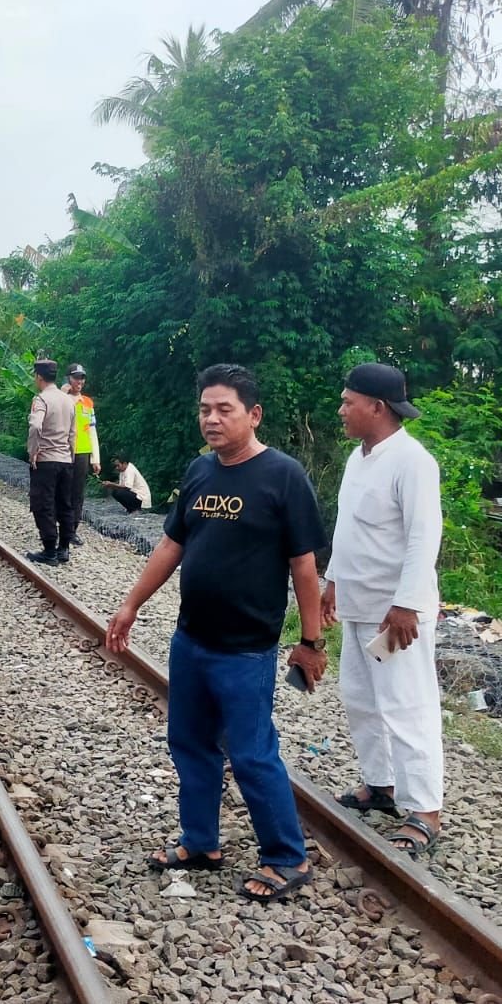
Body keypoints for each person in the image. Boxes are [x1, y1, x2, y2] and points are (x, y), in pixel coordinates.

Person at [107, 364, 327, 903]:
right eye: (205, 408)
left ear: (253, 414)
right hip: (191, 641)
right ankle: (201, 842)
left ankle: (286, 856)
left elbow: (304, 566)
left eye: (224, 409)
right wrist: (131, 603)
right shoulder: (201, 471)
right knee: (188, 744)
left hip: (245, 650)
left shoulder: (283, 476)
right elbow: (172, 545)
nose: (211, 418)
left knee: (252, 754)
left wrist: (311, 641)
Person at [321, 363, 446, 859]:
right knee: (359, 697)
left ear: (377, 407)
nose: (342, 410)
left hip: (397, 612)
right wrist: (332, 580)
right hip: (358, 601)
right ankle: (381, 784)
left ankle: (425, 810)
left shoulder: (413, 462)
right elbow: (348, 526)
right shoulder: (359, 458)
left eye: (349, 401)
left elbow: (423, 536)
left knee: (406, 706)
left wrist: (407, 603)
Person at [25, 359, 78, 565]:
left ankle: (49, 550)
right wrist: (70, 456)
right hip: (66, 460)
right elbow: (73, 433)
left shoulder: (41, 400)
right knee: (65, 504)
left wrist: (33, 451)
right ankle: (64, 548)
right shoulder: (68, 401)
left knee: (43, 504)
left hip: (46, 460)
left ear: (39, 377)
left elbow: (36, 426)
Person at [64, 364, 100, 546]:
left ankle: (72, 531)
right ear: (68, 378)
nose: (79, 381)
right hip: (63, 452)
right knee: (62, 492)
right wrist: (63, 395)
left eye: (82, 378)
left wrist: (96, 458)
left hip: (82, 453)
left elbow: (92, 431)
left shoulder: (87, 403)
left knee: (77, 494)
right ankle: (61, 528)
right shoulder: (62, 399)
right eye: (76, 377)